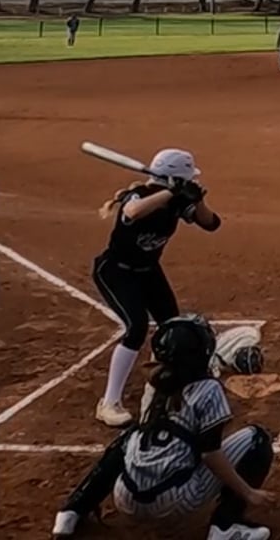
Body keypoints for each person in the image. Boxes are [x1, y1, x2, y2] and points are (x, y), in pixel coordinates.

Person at [52, 314, 277, 540]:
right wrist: (248, 492)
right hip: (174, 500)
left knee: (131, 437)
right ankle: (225, 527)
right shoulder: (209, 390)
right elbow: (210, 454)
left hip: (126, 496)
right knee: (257, 440)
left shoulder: (153, 383)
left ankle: (72, 510)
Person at [92, 149, 223, 427]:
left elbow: (211, 223)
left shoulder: (177, 201)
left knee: (172, 327)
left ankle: (169, 386)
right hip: (116, 271)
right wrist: (171, 192)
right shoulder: (138, 195)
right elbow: (132, 211)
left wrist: (197, 199)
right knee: (136, 327)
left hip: (148, 271)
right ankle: (109, 403)